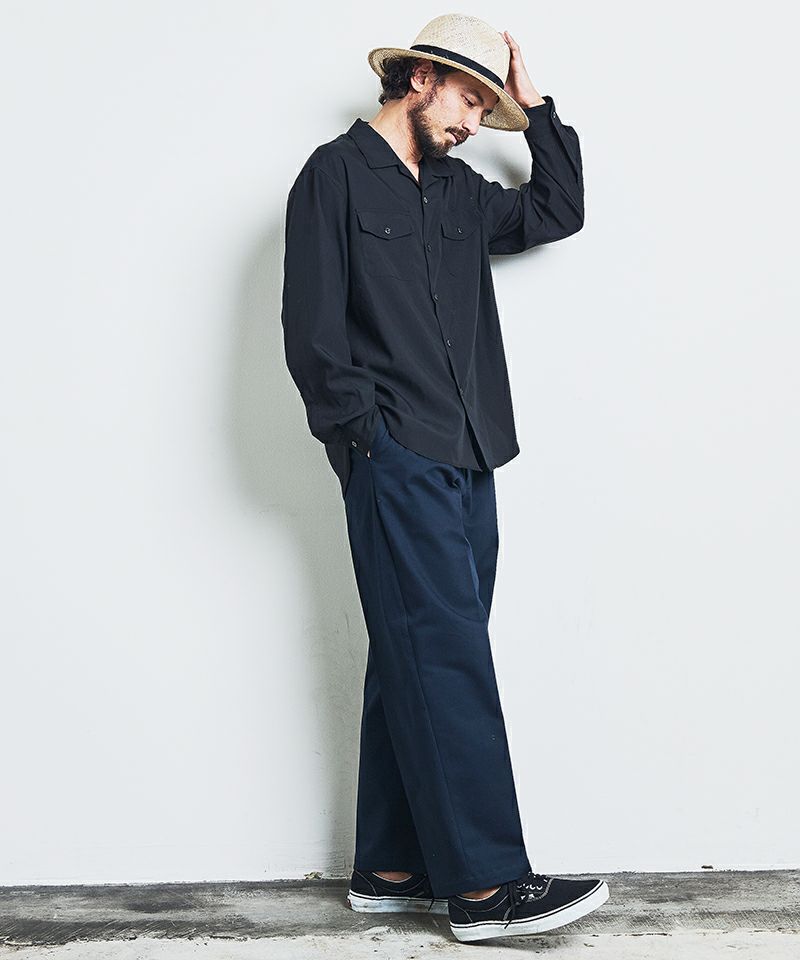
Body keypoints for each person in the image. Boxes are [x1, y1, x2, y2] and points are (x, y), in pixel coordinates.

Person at [280, 13, 609, 943]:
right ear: (420, 78)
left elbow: (559, 209)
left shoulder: (461, 192)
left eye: (485, 109)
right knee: (448, 658)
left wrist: (535, 107)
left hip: (471, 454)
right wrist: (366, 438)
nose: (472, 123)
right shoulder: (333, 175)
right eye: (469, 99)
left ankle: (390, 865)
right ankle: (486, 888)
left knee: (416, 653)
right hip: (394, 454)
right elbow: (312, 329)